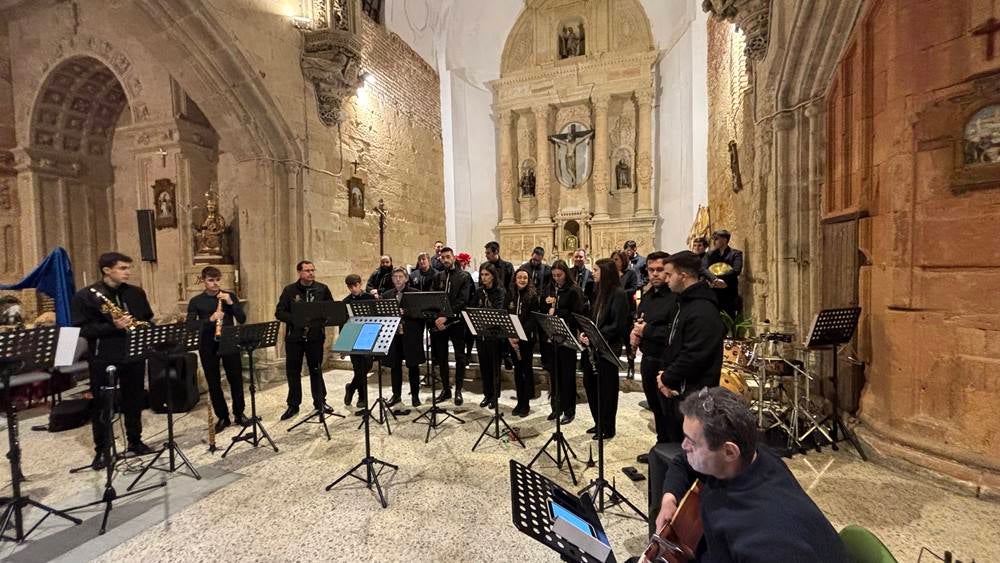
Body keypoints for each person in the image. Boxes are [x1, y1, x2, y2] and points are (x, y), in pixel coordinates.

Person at [654, 387, 849, 562]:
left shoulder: (766, 541)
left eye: (692, 442)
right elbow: (682, 462)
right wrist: (669, 499)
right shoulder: (752, 457)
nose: (683, 446)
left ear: (730, 452)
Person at [71, 252, 155, 470]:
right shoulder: (86, 296)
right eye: (122, 268)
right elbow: (81, 329)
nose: (127, 272)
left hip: (133, 352)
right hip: (103, 356)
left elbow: (147, 318)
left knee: (134, 399)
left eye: (128, 268)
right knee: (102, 403)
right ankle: (102, 450)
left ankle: (135, 441)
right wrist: (112, 326)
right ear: (107, 270)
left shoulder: (136, 293)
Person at [656, 251, 725, 442]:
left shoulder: (702, 309)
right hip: (677, 389)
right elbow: (673, 343)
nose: (664, 278)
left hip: (692, 394)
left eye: (669, 274)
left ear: (683, 276)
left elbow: (694, 354)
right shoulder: (684, 303)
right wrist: (665, 376)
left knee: (688, 448)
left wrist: (668, 378)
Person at [187, 266, 247, 432]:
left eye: (217, 280)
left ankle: (239, 413)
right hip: (207, 345)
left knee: (236, 380)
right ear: (203, 281)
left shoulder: (229, 296)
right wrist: (210, 319)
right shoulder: (196, 301)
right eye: (211, 280)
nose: (215, 284)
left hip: (229, 342)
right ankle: (223, 416)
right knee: (213, 382)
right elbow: (191, 326)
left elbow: (241, 319)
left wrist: (230, 302)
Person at [274, 260, 335, 421]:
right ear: (299, 272)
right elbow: (279, 312)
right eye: (307, 270)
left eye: (312, 270)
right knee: (293, 371)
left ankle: (320, 402)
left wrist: (321, 319)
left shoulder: (322, 289)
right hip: (295, 337)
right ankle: (293, 405)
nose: (311, 273)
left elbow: (331, 309)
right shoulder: (290, 290)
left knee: (316, 369)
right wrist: (297, 319)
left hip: (315, 337)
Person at [630, 251, 679, 444]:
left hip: (666, 362)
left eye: (659, 270)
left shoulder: (675, 297)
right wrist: (635, 331)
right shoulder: (649, 294)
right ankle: (661, 445)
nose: (655, 274)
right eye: (651, 270)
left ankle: (672, 451)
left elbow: (674, 333)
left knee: (669, 411)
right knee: (656, 408)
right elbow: (640, 318)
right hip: (648, 359)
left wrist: (646, 330)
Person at [578, 258, 629, 439]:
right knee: (590, 386)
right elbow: (592, 319)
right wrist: (585, 333)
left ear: (606, 273)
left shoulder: (618, 294)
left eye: (596, 270)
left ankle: (608, 427)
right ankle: (598, 422)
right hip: (593, 348)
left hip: (607, 349)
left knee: (607, 390)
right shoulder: (597, 291)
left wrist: (594, 336)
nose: (593, 273)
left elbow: (618, 325)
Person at [540, 259, 585, 424]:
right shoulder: (549, 288)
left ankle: (569, 410)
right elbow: (542, 309)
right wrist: (546, 309)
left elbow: (578, 315)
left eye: (559, 275)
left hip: (567, 337)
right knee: (554, 375)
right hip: (552, 337)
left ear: (566, 274)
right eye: (554, 276)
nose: (556, 278)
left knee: (567, 376)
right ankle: (555, 408)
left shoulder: (573, 290)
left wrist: (557, 311)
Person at [430, 247, 472, 405]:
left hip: (456, 323)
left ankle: (459, 390)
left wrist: (445, 317)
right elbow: (433, 298)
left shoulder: (464, 276)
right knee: (441, 357)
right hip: (439, 323)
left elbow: (463, 300)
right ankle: (446, 389)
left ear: (454, 258)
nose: (445, 260)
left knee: (460, 357)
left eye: (448, 257)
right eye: (443, 258)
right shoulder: (438, 276)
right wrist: (437, 317)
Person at [381, 268, 425, 407]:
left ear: (406, 279)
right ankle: (396, 395)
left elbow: (420, 313)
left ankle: (415, 396)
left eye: (401, 276)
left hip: (410, 335)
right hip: (394, 336)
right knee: (395, 367)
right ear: (392, 279)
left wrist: (405, 312)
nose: (398, 279)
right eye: (395, 277)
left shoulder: (415, 293)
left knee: (413, 366)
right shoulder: (387, 294)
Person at [506, 267, 539, 416]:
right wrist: (510, 336)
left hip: (526, 339)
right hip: (512, 339)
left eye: (525, 278)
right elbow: (506, 314)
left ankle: (525, 404)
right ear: (515, 279)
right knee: (517, 372)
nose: (522, 280)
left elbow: (532, 319)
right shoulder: (510, 294)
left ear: (529, 280)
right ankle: (519, 402)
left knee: (525, 371)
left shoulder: (532, 296)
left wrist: (519, 334)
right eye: (519, 277)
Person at [473, 262, 506, 409]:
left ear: (493, 276)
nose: (484, 277)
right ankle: (487, 394)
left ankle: (495, 396)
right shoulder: (479, 291)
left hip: (495, 335)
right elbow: (473, 308)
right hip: (481, 335)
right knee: (484, 365)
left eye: (487, 274)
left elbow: (499, 311)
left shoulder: (500, 292)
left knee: (494, 367)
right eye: (482, 274)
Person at [343, 274, 374, 409]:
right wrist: (344, 345)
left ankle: (351, 387)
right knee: (358, 368)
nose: (354, 289)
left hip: (367, 335)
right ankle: (362, 398)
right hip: (353, 336)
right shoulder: (346, 301)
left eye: (356, 285)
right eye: (351, 287)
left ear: (360, 284)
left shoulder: (369, 298)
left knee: (367, 366)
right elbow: (343, 324)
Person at [705, 229, 744, 319]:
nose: (714, 241)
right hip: (712, 291)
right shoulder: (710, 254)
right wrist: (714, 280)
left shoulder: (736, 254)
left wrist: (718, 279)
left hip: (728, 291)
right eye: (713, 239)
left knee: (728, 318)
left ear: (725, 240)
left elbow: (736, 270)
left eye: (716, 239)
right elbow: (703, 268)